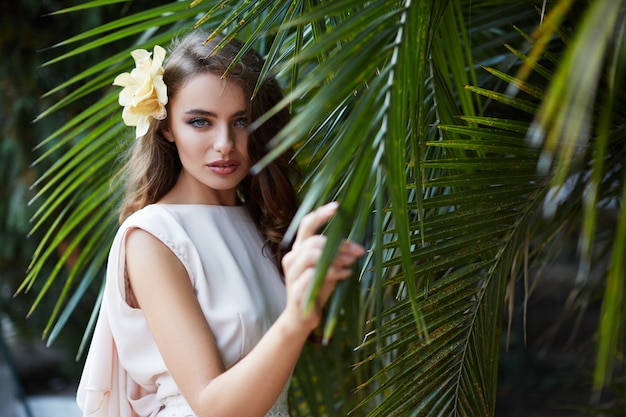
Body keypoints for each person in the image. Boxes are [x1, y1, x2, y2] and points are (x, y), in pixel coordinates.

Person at [76, 30, 365, 417]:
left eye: (242, 121)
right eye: (200, 122)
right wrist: (296, 318)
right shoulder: (153, 237)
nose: (225, 143)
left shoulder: (260, 223)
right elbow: (212, 406)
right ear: (165, 126)